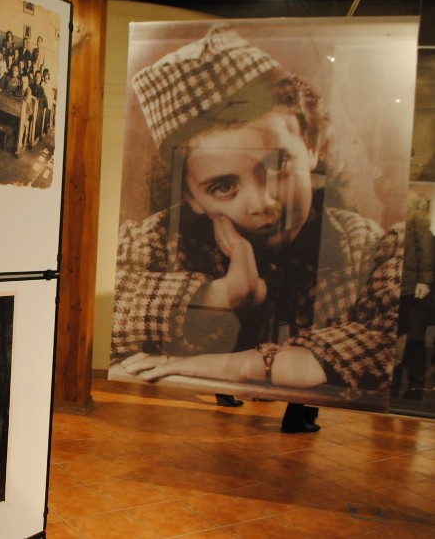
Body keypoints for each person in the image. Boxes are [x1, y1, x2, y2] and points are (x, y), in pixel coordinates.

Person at [110, 24, 403, 432]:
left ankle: (299, 416)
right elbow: (115, 308)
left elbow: (384, 343)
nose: (262, 202)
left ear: (312, 143)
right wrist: (225, 293)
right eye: (224, 187)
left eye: (277, 165)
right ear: (191, 198)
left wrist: (237, 365)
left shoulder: (370, 248)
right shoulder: (159, 239)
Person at [392, 193, 434, 401]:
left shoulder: (416, 219)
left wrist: (424, 281)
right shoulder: (404, 218)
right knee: (404, 337)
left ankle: (413, 386)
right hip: (402, 286)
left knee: (410, 337)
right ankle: (402, 385)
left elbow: (425, 248)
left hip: (410, 288)